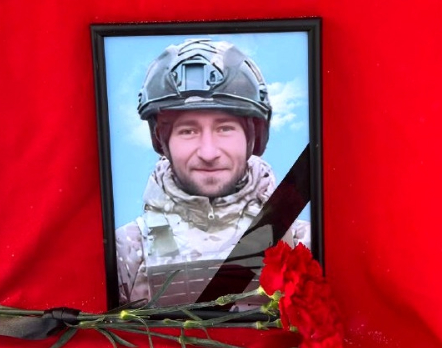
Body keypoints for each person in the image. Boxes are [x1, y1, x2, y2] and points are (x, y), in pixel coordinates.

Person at [115, 38, 310, 307]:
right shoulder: (126, 252)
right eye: (188, 131)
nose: (208, 153)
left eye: (225, 128)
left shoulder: (302, 243)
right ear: (162, 140)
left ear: (253, 137)